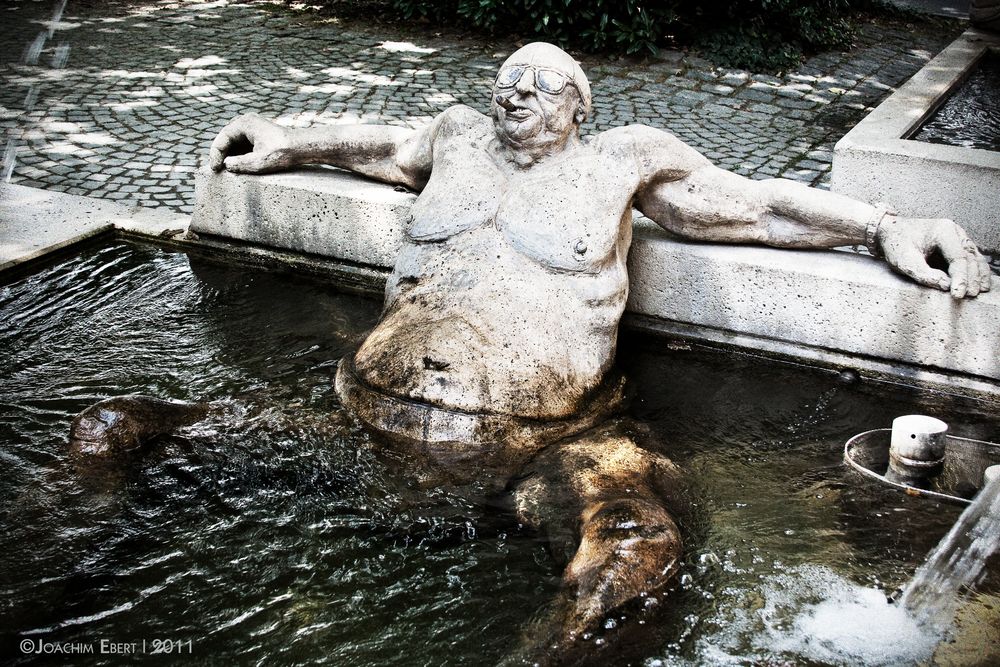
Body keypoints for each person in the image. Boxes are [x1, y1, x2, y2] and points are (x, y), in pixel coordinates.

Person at [106, 41, 995, 662]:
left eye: (540, 81)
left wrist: (885, 222)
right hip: (355, 424)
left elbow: (758, 205)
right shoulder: (456, 137)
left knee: (635, 561)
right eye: (507, 77)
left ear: (579, 108)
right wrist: (288, 138)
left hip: (544, 450)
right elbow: (385, 143)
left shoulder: (621, 161)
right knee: (117, 426)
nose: (515, 90)